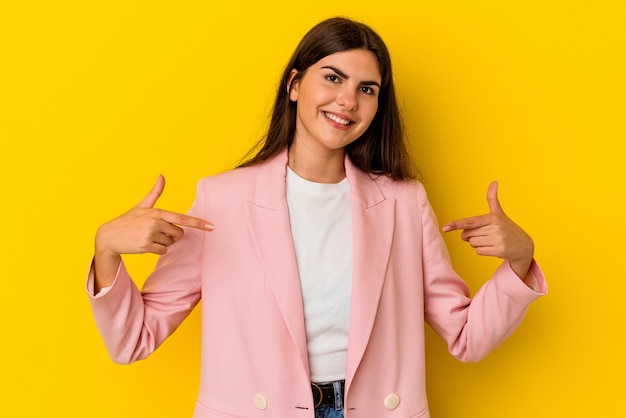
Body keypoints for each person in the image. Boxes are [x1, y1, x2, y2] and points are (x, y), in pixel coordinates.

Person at [87, 17, 547, 418]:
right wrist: (106, 249)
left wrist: (520, 263)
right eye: (332, 78)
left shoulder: (404, 203)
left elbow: (466, 337)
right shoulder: (221, 200)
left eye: (366, 89)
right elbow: (133, 340)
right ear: (293, 85)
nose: (348, 100)